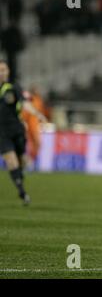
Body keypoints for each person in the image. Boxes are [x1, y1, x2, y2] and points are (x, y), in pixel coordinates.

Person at [0, 60, 47, 205]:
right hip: (2, 133)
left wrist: (38, 114)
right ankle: (22, 192)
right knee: (11, 161)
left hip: (17, 130)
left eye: (3, 69)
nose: (1, 72)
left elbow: (26, 103)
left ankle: (20, 176)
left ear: (8, 71)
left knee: (21, 161)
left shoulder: (14, 87)